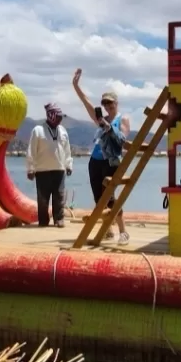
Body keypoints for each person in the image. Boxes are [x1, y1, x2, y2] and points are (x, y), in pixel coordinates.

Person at [72, 68, 129, 245]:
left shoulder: (122, 118)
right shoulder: (100, 118)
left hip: (111, 161)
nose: (108, 106)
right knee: (98, 197)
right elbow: (87, 103)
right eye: (105, 104)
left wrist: (108, 126)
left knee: (110, 197)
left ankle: (123, 231)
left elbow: (123, 140)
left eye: (110, 103)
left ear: (116, 103)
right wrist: (76, 86)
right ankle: (108, 230)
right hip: (95, 161)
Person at [26, 103, 73, 227]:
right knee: (43, 199)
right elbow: (31, 150)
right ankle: (43, 221)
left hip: (59, 169)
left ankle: (59, 219)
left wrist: (69, 165)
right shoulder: (38, 130)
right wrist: (31, 168)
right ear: (51, 115)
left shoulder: (63, 131)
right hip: (42, 170)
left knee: (59, 196)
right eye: (58, 116)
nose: (60, 119)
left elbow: (67, 149)